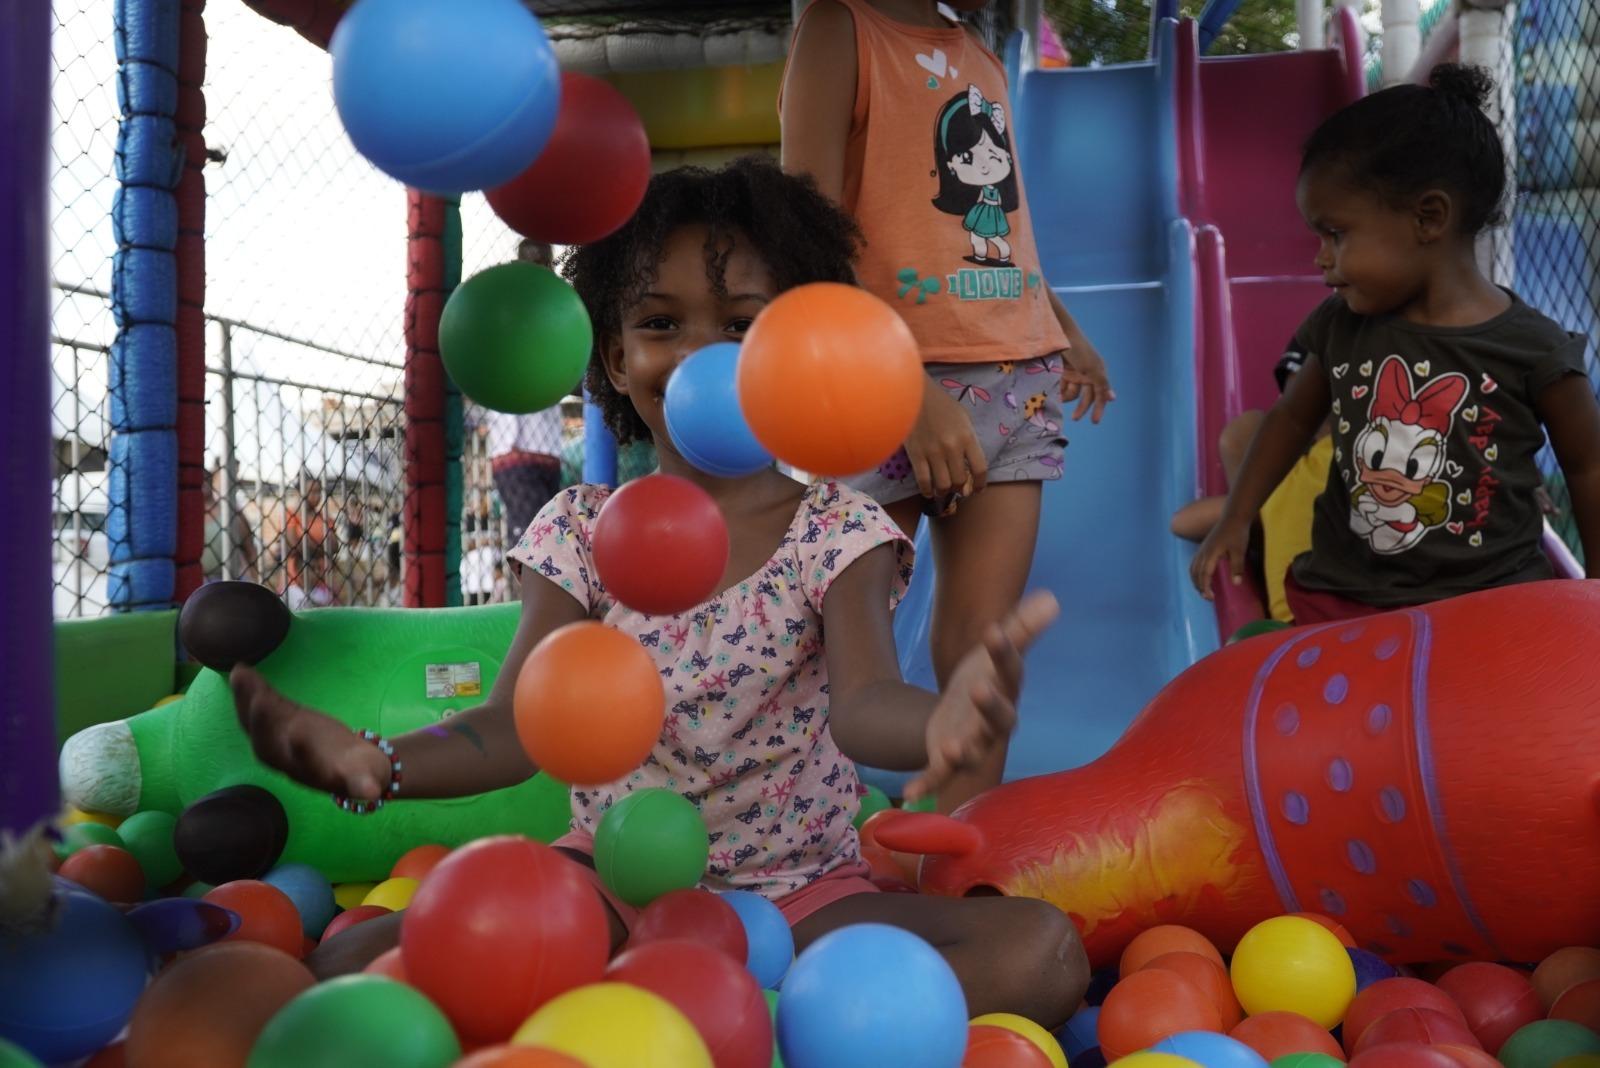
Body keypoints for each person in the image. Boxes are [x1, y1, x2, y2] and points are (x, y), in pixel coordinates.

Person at [229, 158, 1089, 1025]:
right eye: (661, 323)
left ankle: (699, 1016)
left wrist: (941, 720)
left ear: (803, 350)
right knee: (349, 964)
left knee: (1040, 952)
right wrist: (381, 763)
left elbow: (862, 703)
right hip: (610, 884)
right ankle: (731, 1018)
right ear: (615, 354)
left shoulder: (835, 531)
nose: (699, 357)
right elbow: (513, 729)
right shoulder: (578, 531)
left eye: (743, 326)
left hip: (799, 899)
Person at [781, 0, 1114, 808]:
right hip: (877, 382)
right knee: (829, 638)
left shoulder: (979, 53)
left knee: (984, 645)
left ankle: (960, 854)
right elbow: (802, 232)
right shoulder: (839, 27)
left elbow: (999, 228)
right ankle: (803, 843)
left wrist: (1062, 325)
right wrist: (905, 387)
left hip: (1014, 376)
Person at [1192, 66, 1600, 623]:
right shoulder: (1341, 326)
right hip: (1345, 597)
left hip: (1491, 604)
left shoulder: (1534, 350)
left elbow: (1588, 466)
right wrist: (1239, 515)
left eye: (1335, 234)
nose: (1320, 257)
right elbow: (1289, 420)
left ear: (1428, 217)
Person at [1171, 351, 1333, 623]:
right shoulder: (1287, 486)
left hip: (1297, 625)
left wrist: (1240, 515)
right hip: (1338, 622)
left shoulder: (1287, 485)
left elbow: (1182, 522)